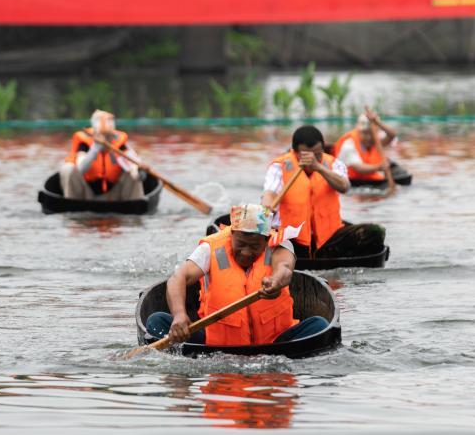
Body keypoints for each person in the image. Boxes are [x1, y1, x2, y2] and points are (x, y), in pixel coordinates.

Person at [146, 204, 329, 345]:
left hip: (274, 343)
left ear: (266, 239)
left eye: (255, 246)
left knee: (319, 325)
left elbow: (285, 268)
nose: (247, 252)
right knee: (157, 321)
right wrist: (179, 315)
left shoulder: (279, 244)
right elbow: (178, 278)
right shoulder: (210, 248)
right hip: (216, 345)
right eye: (241, 244)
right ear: (231, 234)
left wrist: (275, 281)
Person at [261, 125, 385, 259]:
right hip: (292, 241)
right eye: (307, 156)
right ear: (295, 152)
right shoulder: (280, 166)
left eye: (318, 154)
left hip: (328, 239)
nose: (313, 159)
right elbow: (270, 192)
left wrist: (319, 167)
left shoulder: (333, 164)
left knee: (375, 232)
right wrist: (267, 205)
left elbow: (345, 187)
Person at [59, 109, 145, 201]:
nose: (106, 139)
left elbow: (132, 165)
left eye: (109, 136)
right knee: (68, 168)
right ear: (95, 133)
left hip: (114, 195)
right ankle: (72, 206)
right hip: (86, 195)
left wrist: (137, 173)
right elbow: (81, 168)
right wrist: (95, 148)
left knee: (135, 172)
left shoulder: (120, 143)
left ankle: (134, 207)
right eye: (103, 135)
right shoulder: (84, 143)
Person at [333, 107, 397, 183]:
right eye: (365, 133)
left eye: (371, 134)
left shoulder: (376, 139)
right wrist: (378, 167)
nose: (369, 137)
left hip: (371, 180)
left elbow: (392, 135)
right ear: (359, 132)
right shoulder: (349, 145)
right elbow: (359, 168)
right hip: (352, 182)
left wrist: (377, 122)